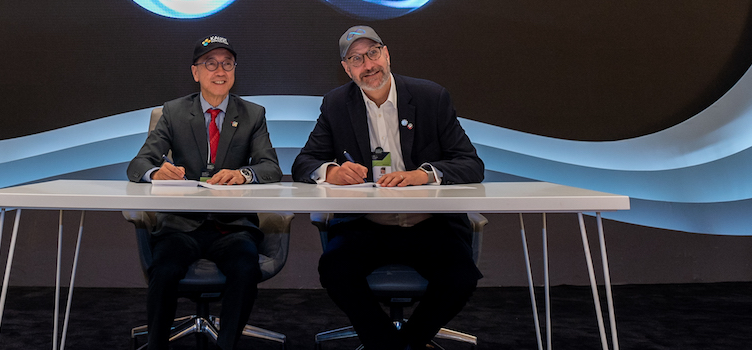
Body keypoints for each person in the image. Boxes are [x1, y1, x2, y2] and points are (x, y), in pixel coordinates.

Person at [291, 25, 485, 350]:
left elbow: (471, 164)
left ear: (386, 54)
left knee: (460, 277)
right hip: (367, 226)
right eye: (356, 59)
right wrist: (331, 171)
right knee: (335, 271)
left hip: (429, 225)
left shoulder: (431, 97)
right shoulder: (336, 104)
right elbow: (303, 163)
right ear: (346, 69)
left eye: (373, 53)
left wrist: (423, 175)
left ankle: (405, 344)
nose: (368, 65)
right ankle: (387, 344)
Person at [127, 34, 281, 350]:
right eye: (210, 64)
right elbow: (138, 164)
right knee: (164, 269)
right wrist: (156, 173)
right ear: (195, 72)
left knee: (245, 268)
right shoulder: (174, 112)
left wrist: (243, 174)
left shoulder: (253, 114)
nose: (220, 71)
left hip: (232, 226)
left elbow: (271, 167)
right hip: (181, 225)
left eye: (227, 63)